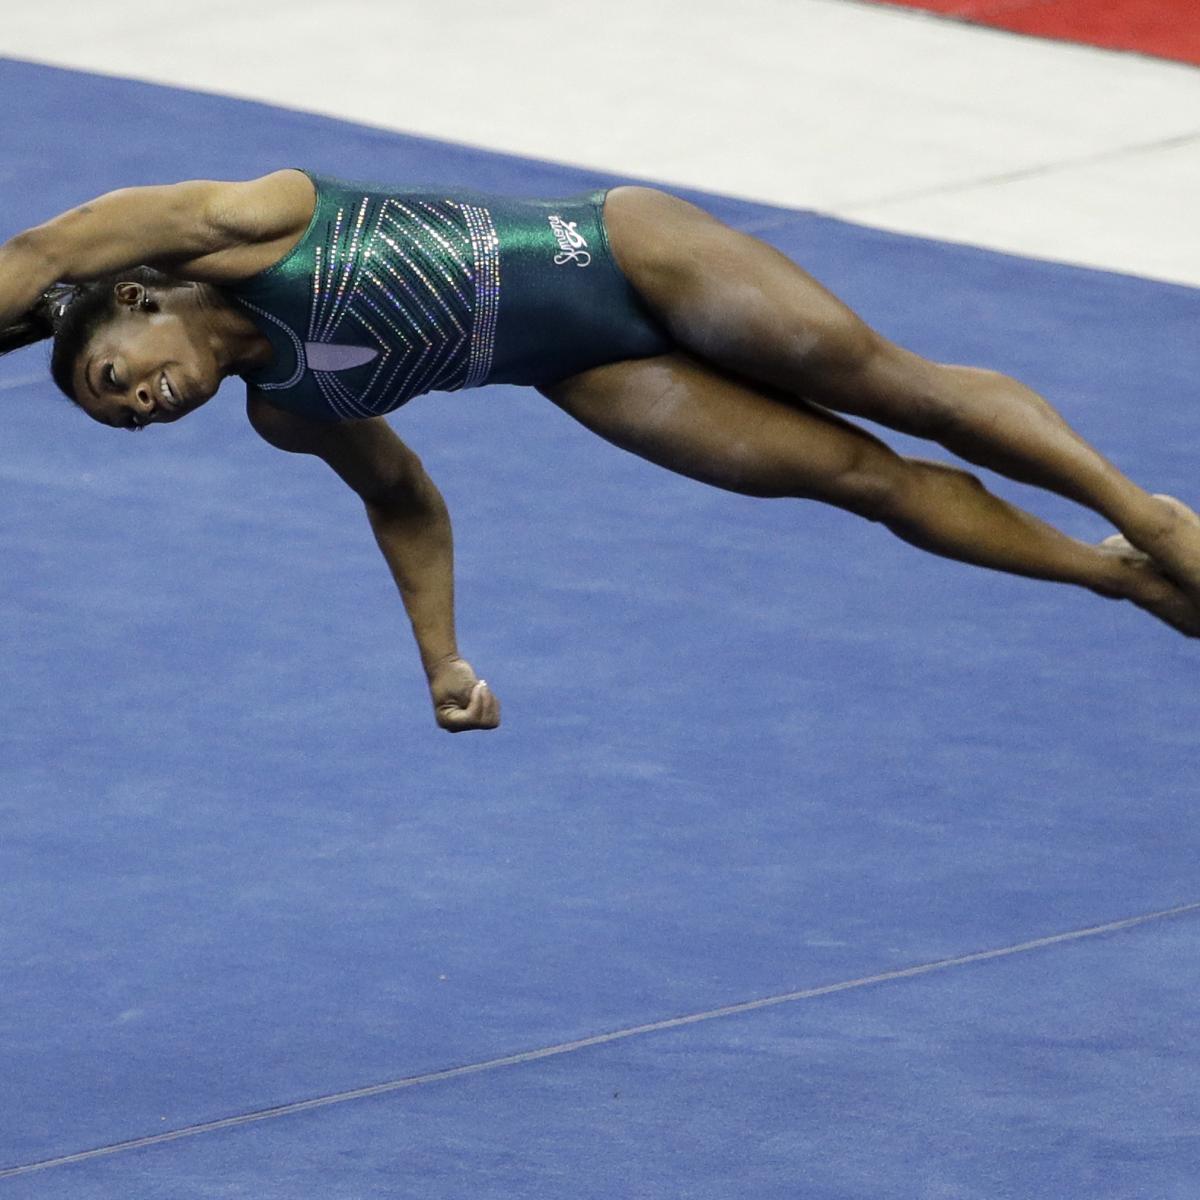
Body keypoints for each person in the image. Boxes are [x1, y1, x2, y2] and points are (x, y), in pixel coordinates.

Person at [2, 169, 1197, 732]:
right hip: (590, 371)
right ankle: (1122, 580)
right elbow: (404, 500)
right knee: (861, 481)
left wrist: (33, 288)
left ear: (135, 300)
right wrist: (444, 659)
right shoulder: (290, 409)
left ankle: (1145, 516)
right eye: (128, 423)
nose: (143, 406)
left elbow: (44, 246)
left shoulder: (243, 225)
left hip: (626, 253)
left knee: (897, 390)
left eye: (117, 380)